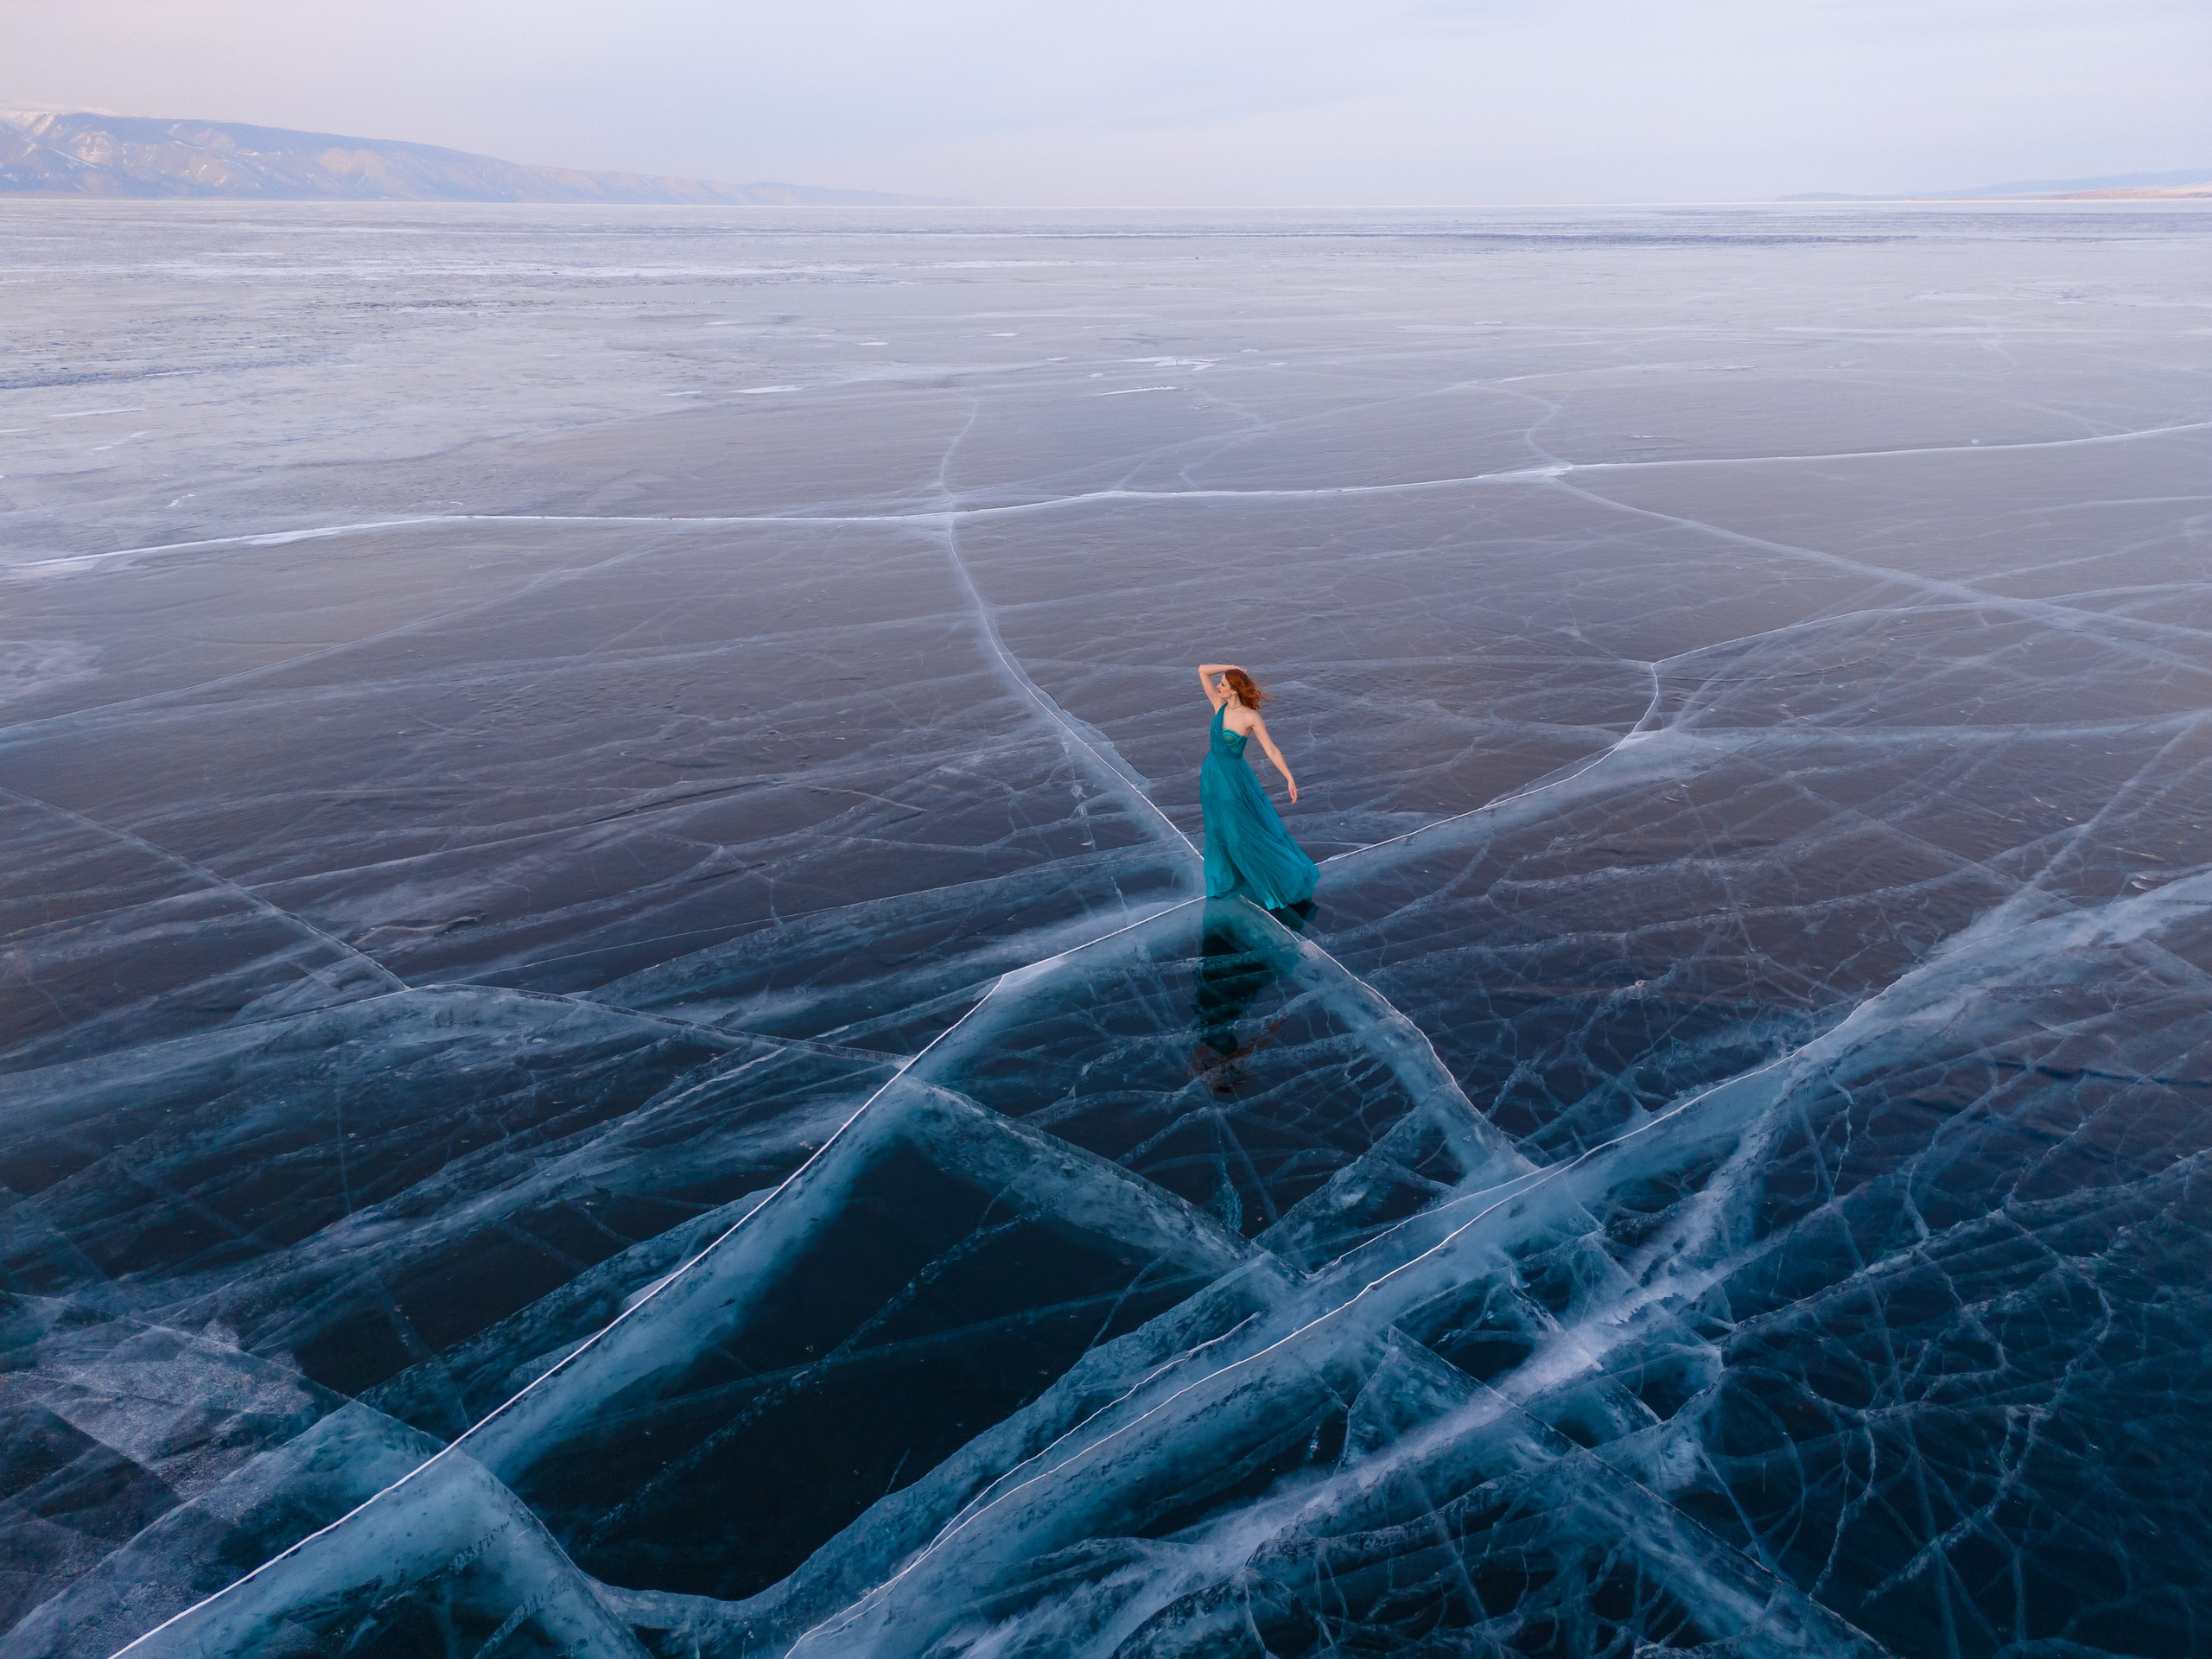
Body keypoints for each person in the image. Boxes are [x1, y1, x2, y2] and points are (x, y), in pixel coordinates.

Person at [1196, 663, 1319, 910]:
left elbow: (1271, 750)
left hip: (1233, 779)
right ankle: (1229, 879)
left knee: (1240, 832)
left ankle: (1276, 880)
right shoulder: (1219, 706)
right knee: (1218, 830)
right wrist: (1231, 667)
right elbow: (1202, 670)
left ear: (1233, 691)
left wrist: (1289, 777)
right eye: (1219, 684)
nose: (1218, 687)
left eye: (1223, 685)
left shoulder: (1251, 717)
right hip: (1211, 775)